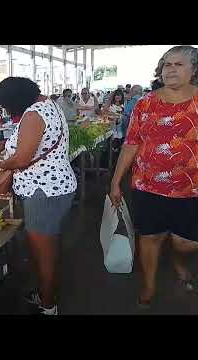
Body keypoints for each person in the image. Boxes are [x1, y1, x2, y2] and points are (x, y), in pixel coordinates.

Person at [110, 45, 198, 308]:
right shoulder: (145, 103)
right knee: (150, 237)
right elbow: (131, 143)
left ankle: (178, 258)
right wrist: (115, 182)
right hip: (149, 187)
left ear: (194, 70)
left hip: (191, 190)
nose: (170, 69)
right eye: (166, 64)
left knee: (186, 242)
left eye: (178, 64)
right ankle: (149, 285)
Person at [0, 77, 77, 315]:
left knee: (44, 254)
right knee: (49, 246)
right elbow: (36, 139)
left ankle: (48, 305)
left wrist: (0, 163)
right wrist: (5, 143)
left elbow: (22, 159)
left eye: (7, 106)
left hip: (43, 192)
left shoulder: (32, 114)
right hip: (55, 187)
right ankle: (46, 293)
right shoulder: (48, 105)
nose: (8, 111)